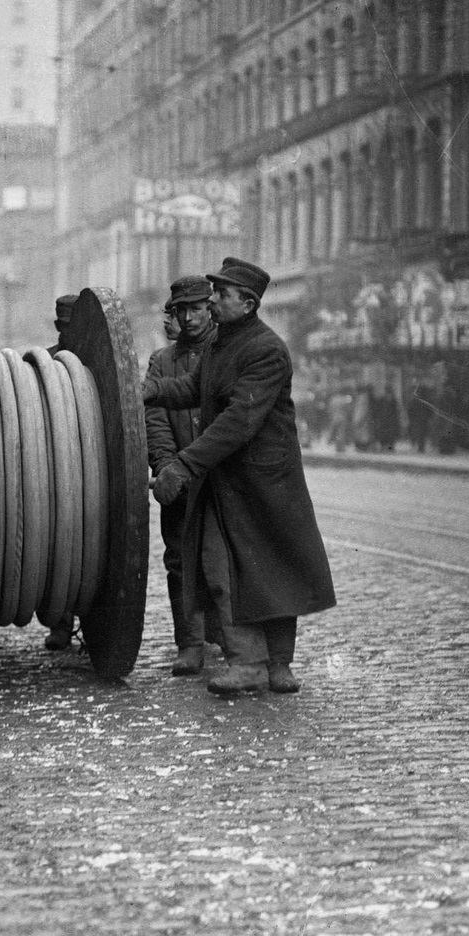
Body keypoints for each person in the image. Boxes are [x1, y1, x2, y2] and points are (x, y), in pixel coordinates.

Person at [143, 257, 336, 696]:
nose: (211, 301)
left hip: (266, 483)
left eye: (221, 294)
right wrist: (152, 390)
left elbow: (237, 420)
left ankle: (277, 663)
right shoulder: (221, 345)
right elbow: (195, 388)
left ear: (246, 303)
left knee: (273, 571)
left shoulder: (266, 349)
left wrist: (185, 464)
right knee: (225, 570)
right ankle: (250, 663)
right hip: (232, 482)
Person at [144, 275, 217, 676]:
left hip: (219, 478)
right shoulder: (162, 361)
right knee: (180, 561)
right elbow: (155, 419)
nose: (188, 318)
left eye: (196, 309)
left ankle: (223, 632)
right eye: (180, 311)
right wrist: (167, 466)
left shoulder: (223, 352)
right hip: (179, 482)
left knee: (223, 557)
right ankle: (189, 643)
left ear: (210, 309)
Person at [44, 293, 80, 650]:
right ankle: (60, 623)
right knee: (62, 549)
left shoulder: (103, 360)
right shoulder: (47, 362)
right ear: (59, 328)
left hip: (94, 470)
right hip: (58, 470)